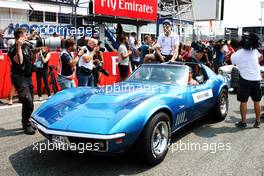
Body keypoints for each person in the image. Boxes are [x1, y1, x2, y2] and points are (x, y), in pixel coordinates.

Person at [8, 28, 36, 135]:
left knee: (30, 103)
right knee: (27, 101)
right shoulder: (13, 49)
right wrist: (19, 46)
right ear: (19, 36)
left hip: (28, 77)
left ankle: (27, 120)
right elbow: (20, 61)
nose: (26, 36)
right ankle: (26, 125)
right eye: (25, 34)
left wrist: (35, 53)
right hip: (19, 78)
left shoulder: (27, 46)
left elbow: (32, 60)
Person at [231, 32, 262, 128]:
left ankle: (243, 122)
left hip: (245, 79)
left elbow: (235, 65)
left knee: (243, 101)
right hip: (257, 78)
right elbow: (261, 57)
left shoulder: (235, 55)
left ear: (234, 47)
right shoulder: (254, 50)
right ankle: (257, 122)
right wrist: (255, 63)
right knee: (257, 101)